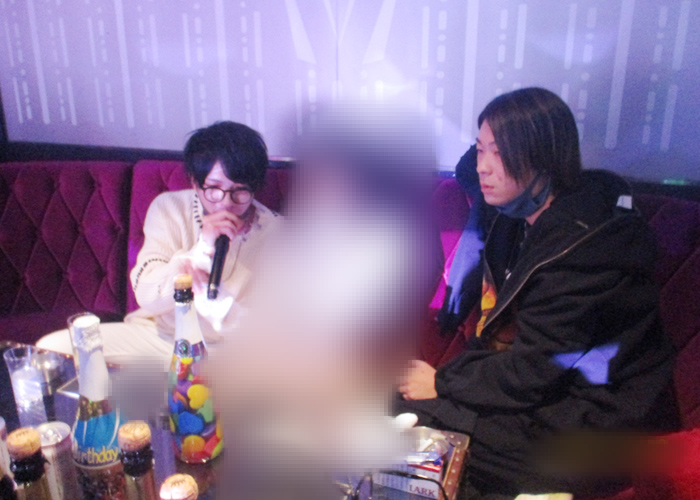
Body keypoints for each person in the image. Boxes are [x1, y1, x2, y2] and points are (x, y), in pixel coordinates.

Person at [396, 88, 677, 498]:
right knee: (400, 410)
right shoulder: (518, 219)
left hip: (598, 427)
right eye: (481, 149)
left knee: (417, 424)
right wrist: (446, 384)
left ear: (544, 158)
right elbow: (512, 354)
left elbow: (533, 371)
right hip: (549, 402)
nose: (483, 167)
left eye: (499, 153)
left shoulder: (584, 247)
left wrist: (443, 381)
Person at [37, 121, 282, 365]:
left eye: (240, 191)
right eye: (213, 188)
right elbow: (147, 296)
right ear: (195, 183)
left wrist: (224, 312)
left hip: (231, 352)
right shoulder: (170, 208)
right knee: (54, 348)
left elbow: (273, 329)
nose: (225, 203)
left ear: (254, 188)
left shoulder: (278, 232)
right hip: (162, 339)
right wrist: (202, 249)